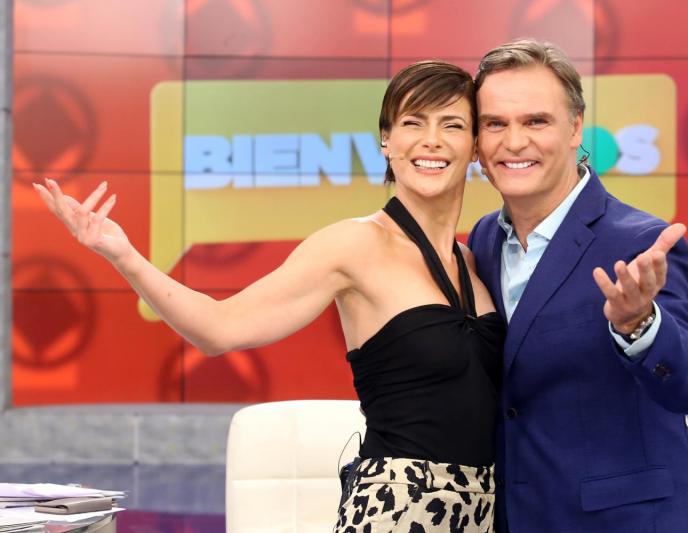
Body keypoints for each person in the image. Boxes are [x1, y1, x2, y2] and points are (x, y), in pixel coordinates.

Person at [34, 61, 504, 532]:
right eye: (413, 123)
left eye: (452, 125)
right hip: (398, 507)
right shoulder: (354, 245)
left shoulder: (472, 260)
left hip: (484, 510)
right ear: (386, 140)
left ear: (475, 146)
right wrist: (125, 256)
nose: (431, 140)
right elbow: (219, 328)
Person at [467, 39, 688, 532]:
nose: (514, 142)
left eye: (536, 121)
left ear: (576, 126)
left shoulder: (642, 243)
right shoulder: (483, 239)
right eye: (495, 123)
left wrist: (640, 324)